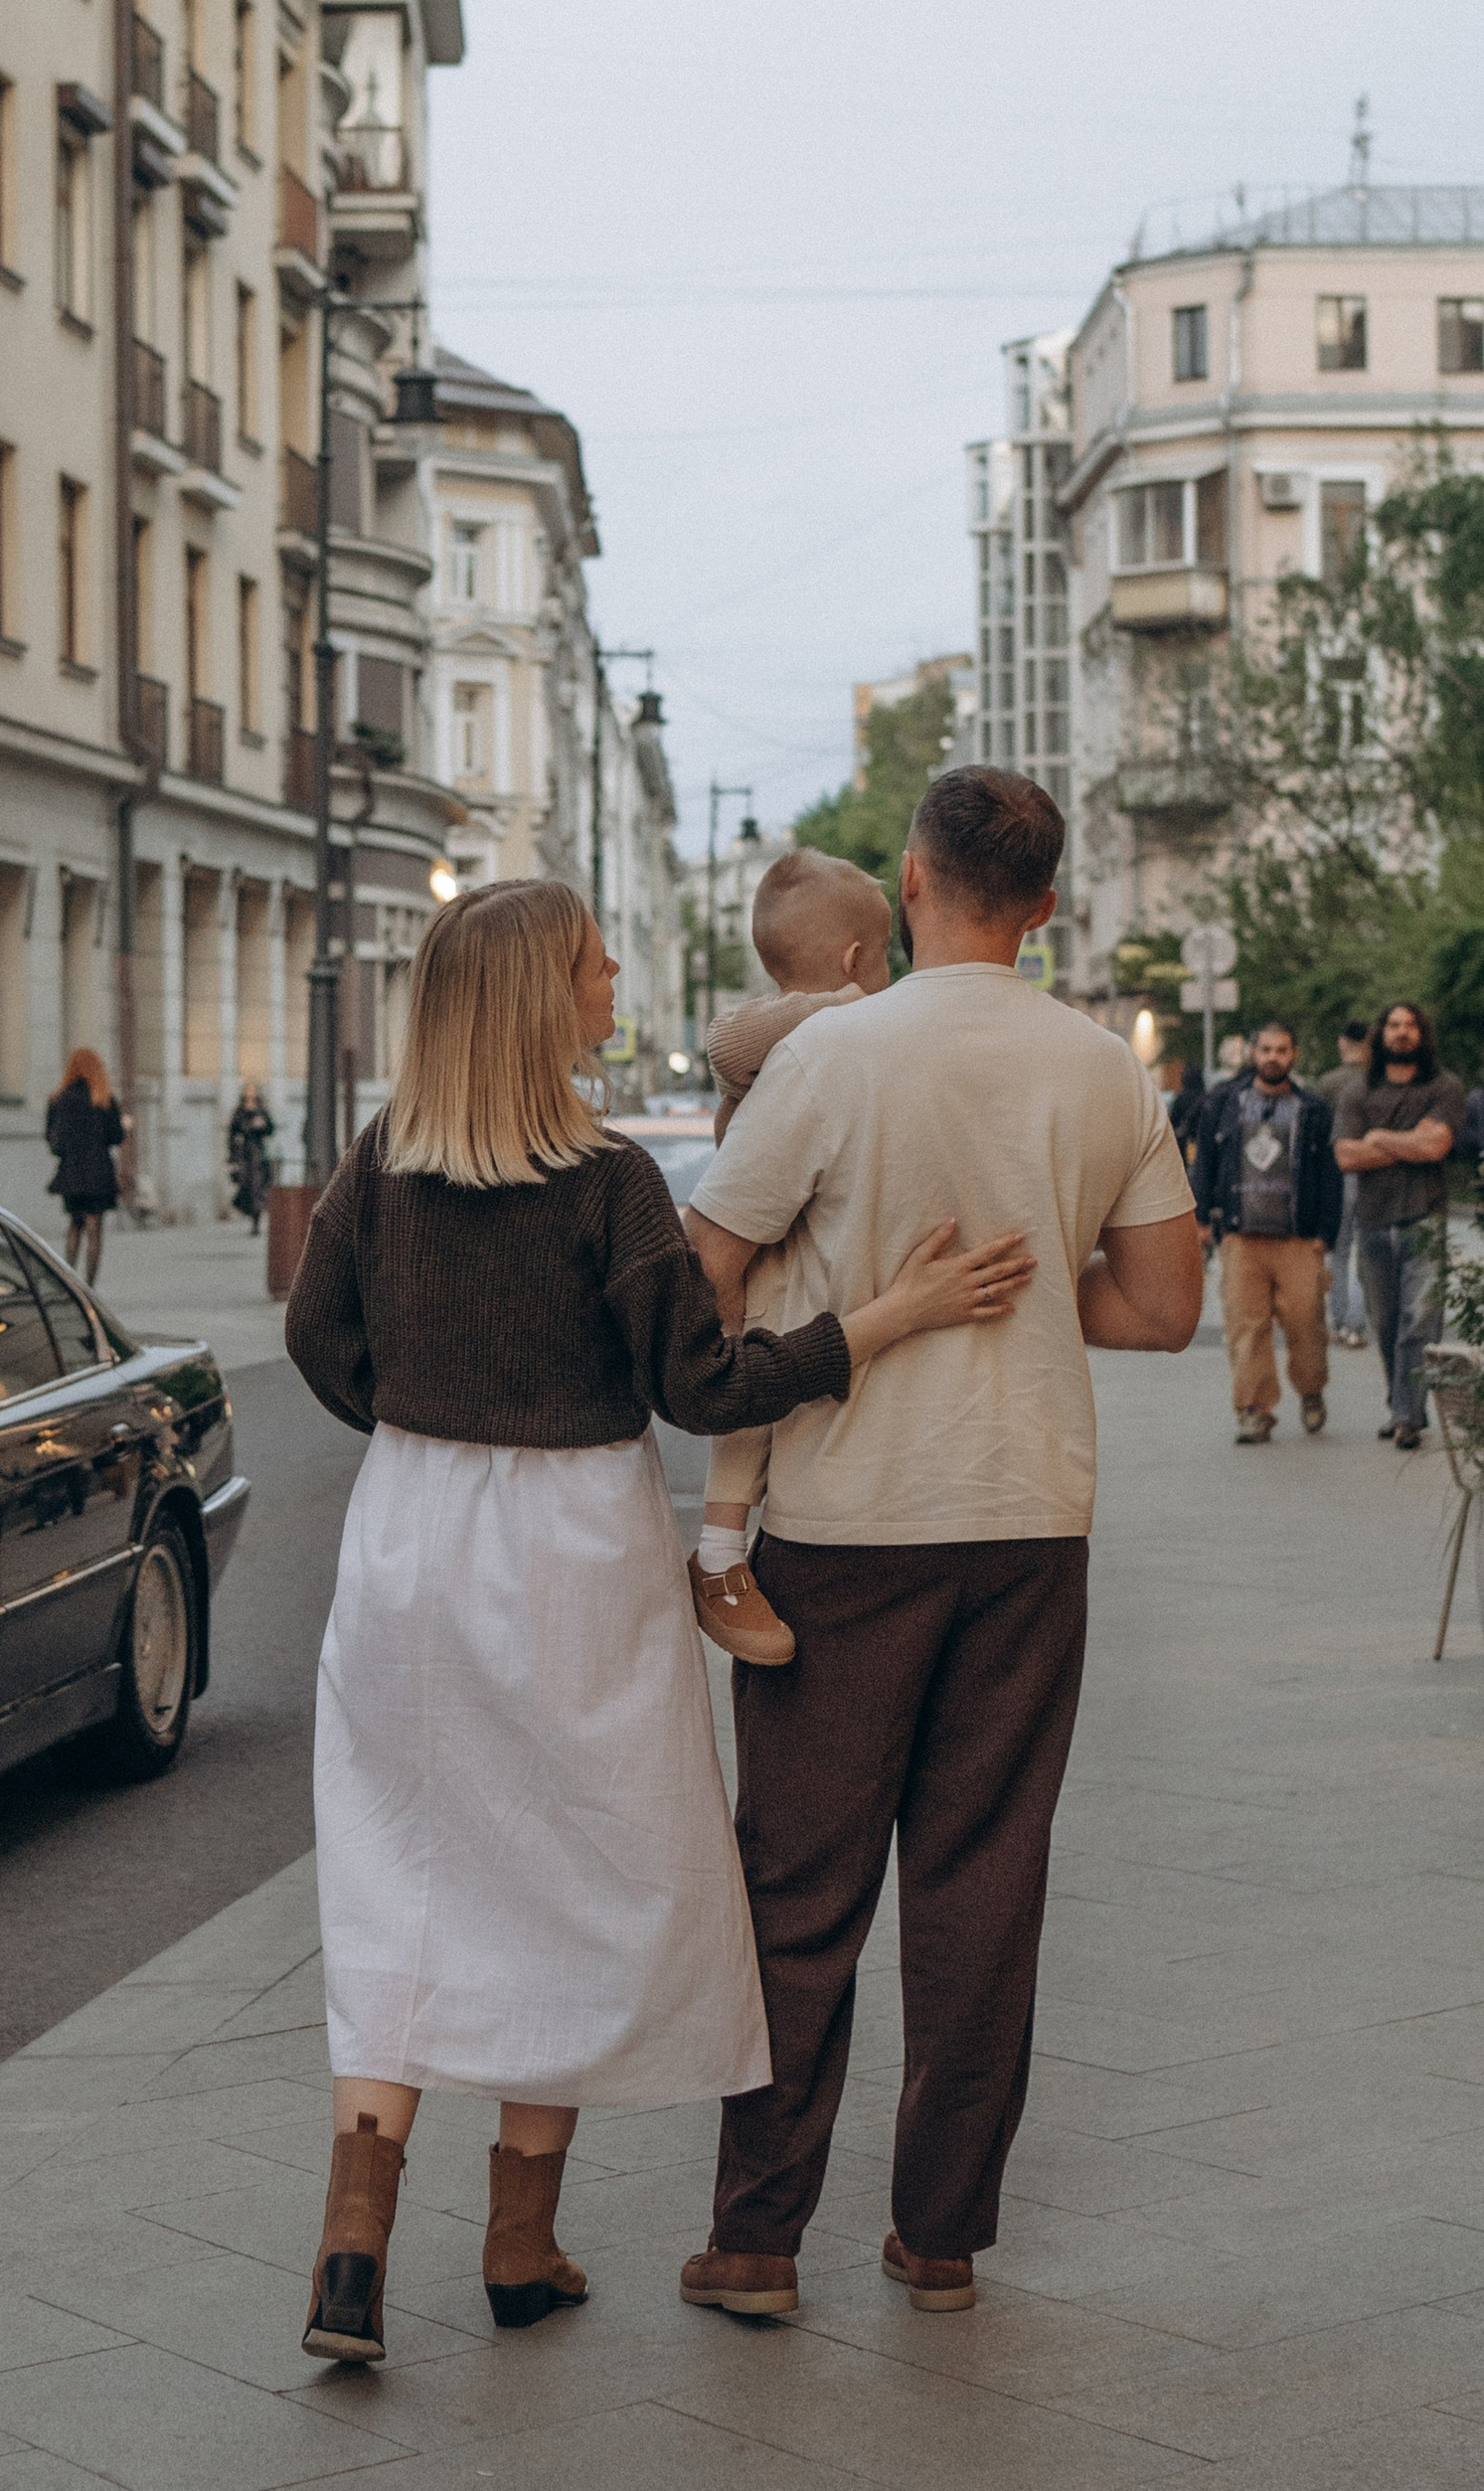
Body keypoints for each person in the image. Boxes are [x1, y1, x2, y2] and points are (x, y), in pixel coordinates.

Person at [281, 876, 1035, 2370]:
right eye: (590, 960)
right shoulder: (607, 1179)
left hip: (411, 1535)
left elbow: (319, 1337)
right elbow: (706, 1388)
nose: (614, 970)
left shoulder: (383, 1159)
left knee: (399, 1865)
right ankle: (516, 2243)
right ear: (536, 998)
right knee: (573, 1870)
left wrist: (432, 1426)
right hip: (570, 1544)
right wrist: (882, 1320)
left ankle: (352, 2249)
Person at [678, 766, 1203, 2327]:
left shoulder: (834, 1056)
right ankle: (943, 2236)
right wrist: (1038, 1302)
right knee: (985, 1880)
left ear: (912, 880)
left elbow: (706, 1268)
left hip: (846, 1524)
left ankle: (760, 2240)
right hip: (1032, 1517)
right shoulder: (1105, 1070)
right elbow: (1168, 1309)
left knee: (800, 1884)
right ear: (1045, 907)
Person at [691, 846, 894, 1664]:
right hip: (760, 1265)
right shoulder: (794, 1020)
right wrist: (850, 998)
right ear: (851, 960)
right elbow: (725, 1042)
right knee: (750, 1418)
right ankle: (716, 1557)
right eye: (884, 958)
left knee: (768, 1422)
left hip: (786, 1250)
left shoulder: (830, 1030)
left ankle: (729, 1551)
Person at [1192, 1017, 1342, 1443]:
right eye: (1266, 1050)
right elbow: (1204, 1164)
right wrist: (1201, 1218)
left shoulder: (1312, 1109)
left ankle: (1311, 1391)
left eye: (1282, 1050)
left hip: (1298, 1237)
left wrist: (1326, 1234)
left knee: (1306, 1324)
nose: (1273, 1057)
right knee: (1246, 1327)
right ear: (1253, 1054)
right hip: (1242, 1237)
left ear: (1293, 1055)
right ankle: (1254, 1410)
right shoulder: (1224, 1104)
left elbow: (1330, 1175)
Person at [1335, 1002, 1466, 1448]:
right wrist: (1411, 1140)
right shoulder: (1359, 1091)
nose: (1402, 1033)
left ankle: (1408, 1416)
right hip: (1372, 1221)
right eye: (1393, 1025)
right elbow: (1346, 1156)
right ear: (1380, 1034)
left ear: (1422, 1034)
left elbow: (1437, 1146)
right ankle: (1401, 1405)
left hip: (1425, 1220)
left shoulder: (1444, 1087)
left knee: (1420, 1321)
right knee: (1386, 1323)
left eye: (1410, 1025)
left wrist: (1379, 1138)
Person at [1315, 1017, 1375, 1346]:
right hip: (1373, 1173)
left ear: (1342, 1043)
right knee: (1366, 1249)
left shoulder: (1327, 1083)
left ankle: (1340, 1320)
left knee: (1338, 1250)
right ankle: (1359, 1321)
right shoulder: (1377, 1081)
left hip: (1335, 1172)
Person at [47, 1047, 124, 1281]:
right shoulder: (103, 1099)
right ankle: (89, 1287)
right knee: (94, 1228)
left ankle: (69, 1282)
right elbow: (116, 1136)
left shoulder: (58, 1100)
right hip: (98, 1172)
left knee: (74, 1224)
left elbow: (54, 1143)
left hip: (71, 1173)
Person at [226, 1080, 277, 1225]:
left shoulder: (262, 1110)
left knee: (258, 1186)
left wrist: (263, 1126)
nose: (250, 1093)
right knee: (245, 1186)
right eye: (248, 1090)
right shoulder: (239, 1111)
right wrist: (231, 1158)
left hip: (258, 1154)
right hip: (243, 1154)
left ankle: (256, 1219)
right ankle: (250, 1212)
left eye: (253, 1090)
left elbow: (271, 1130)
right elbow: (232, 1134)